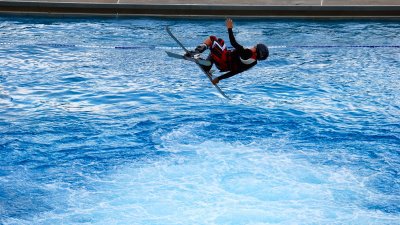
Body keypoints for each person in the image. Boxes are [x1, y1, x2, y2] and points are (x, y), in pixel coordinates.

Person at [186, 18, 269, 85]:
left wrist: (229, 28)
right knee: (220, 42)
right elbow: (234, 72)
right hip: (223, 66)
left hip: (223, 60)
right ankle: (207, 65)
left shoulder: (247, 53)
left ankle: (196, 53)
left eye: (255, 47)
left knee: (212, 39)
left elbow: (233, 43)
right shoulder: (252, 63)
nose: (253, 46)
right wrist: (218, 79)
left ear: (256, 51)